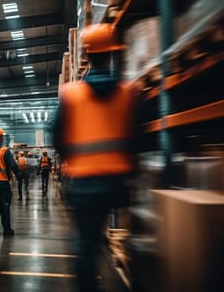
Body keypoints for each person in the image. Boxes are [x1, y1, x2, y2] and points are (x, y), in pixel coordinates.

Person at [53, 23, 142, 292]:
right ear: (112, 55)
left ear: (86, 56)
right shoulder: (129, 92)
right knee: (136, 235)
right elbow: (139, 138)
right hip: (119, 182)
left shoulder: (71, 94)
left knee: (85, 242)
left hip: (84, 182)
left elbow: (57, 137)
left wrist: (72, 160)